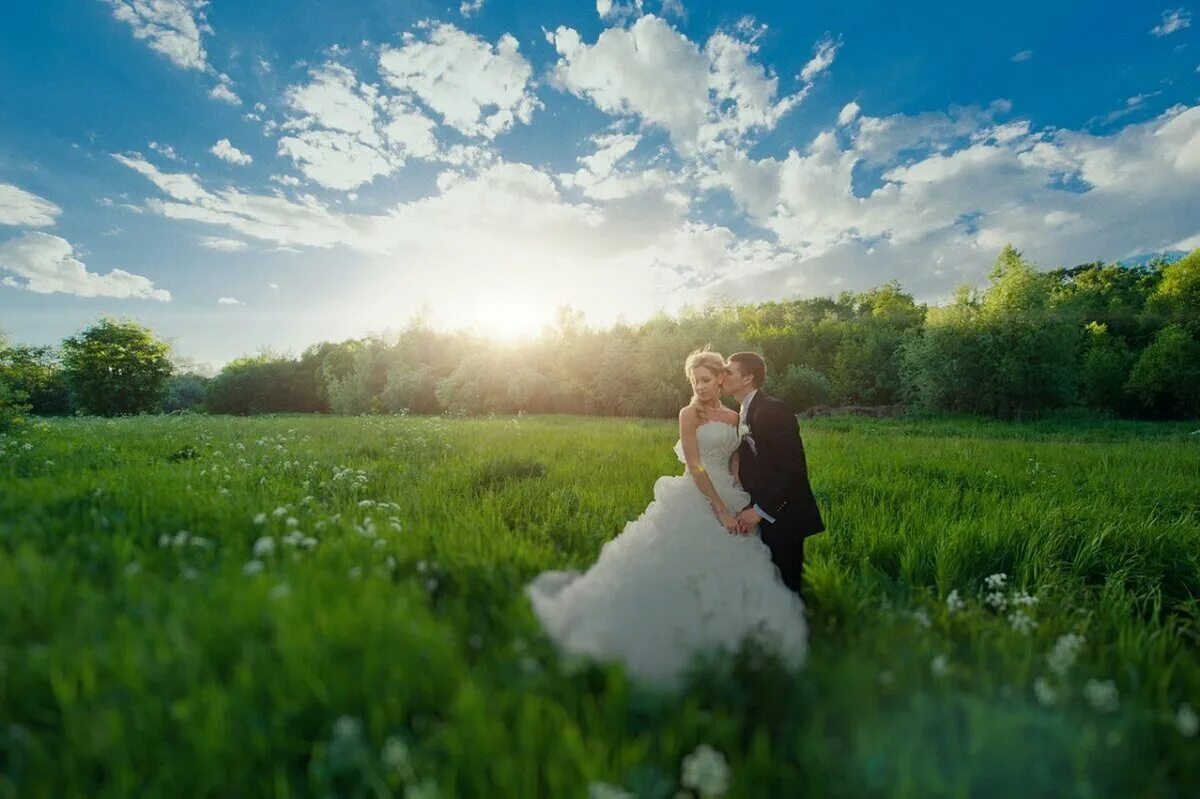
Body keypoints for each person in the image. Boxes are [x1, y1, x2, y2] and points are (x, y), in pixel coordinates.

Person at [524, 349, 807, 689]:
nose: (699, 386)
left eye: (705, 379)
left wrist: (745, 500)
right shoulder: (690, 414)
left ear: (720, 379)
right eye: (694, 381)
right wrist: (718, 506)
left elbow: (736, 463)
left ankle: (728, 634)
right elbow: (696, 465)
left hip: (733, 494)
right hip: (698, 493)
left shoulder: (735, 418)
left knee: (736, 558)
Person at [724, 351, 825, 598]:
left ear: (747, 378)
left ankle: (795, 633)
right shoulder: (744, 411)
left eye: (728, 371)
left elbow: (793, 471)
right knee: (768, 584)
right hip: (758, 508)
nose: (722, 375)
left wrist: (760, 512)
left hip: (784, 515)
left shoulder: (772, 410)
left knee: (787, 587)